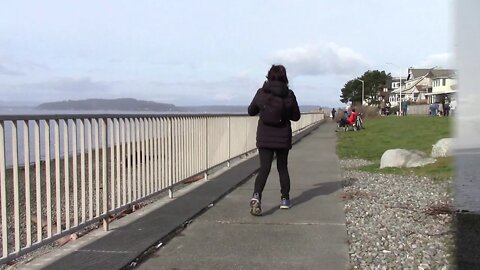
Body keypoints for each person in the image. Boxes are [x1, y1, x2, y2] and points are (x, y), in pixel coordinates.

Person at [247, 64, 301, 216]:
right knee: (282, 168)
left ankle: (256, 197)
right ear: (285, 78)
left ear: (268, 77)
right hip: (283, 137)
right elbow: (296, 116)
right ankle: (285, 199)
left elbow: (251, 111)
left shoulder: (261, 93)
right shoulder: (289, 94)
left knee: (264, 168)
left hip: (265, 137)